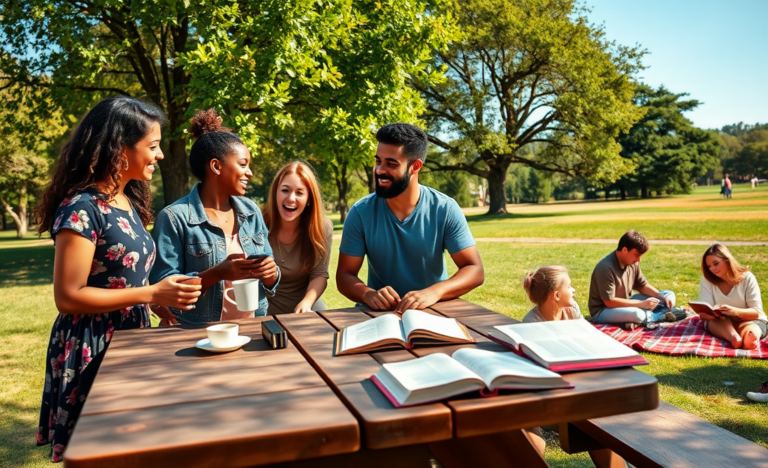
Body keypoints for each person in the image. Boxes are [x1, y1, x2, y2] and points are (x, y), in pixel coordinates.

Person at [34, 98, 202, 461]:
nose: (159, 156)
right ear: (120, 149)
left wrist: (155, 300)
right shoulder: (81, 207)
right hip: (93, 345)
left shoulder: (125, 201)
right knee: (102, 453)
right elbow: (68, 296)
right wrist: (149, 292)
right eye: (153, 146)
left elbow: (122, 279)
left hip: (129, 338)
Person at [336, 123, 484, 312]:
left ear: (415, 167)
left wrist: (435, 292)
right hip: (380, 316)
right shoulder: (360, 212)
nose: (380, 170)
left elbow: (474, 269)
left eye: (391, 164)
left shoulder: (445, 208)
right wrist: (368, 294)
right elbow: (345, 275)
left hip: (433, 312)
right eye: (378, 161)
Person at [151, 109, 279, 323]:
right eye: (243, 164)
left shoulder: (251, 211)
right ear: (216, 166)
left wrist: (271, 272)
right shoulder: (175, 218)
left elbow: (270, 268)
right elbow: (165, 287)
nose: (250, 173)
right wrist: (217, 273)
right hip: (200, 333)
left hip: (252, 326)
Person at [521, 266, 627, 468]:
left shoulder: (570, 310)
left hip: (576, 385)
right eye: (570, 286)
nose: (574, 290)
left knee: (599, 429)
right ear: (556, 295)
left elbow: (587, 342)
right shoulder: (532, 326)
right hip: (545, 397)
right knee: (590, 425)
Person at [262, 162, 333, 314]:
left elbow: (319, 274)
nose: (291, 198)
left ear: (309, 199)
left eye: (300, 192)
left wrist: (306, 303)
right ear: (275, 193)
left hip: (306, 312)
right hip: (264, 313)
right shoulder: (258, 223)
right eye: (285, 190)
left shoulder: (323, 227)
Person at [588, 230, 681, 326]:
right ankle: (660, 315)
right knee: (637, 314)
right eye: (636, 255)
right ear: (624, 250)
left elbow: (642, 286)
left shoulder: (633, 263)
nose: (638, 260)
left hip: (627, 302)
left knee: (668, 295)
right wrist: (641, 304)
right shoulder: (605, 268)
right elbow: (609, 302)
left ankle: (654, 313)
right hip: (604, 310)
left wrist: (661, 298)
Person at [697, 243, 766, 350]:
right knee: (715, 323)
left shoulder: (747, 278)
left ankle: (750, 337)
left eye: (716, 263)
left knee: (751, 329)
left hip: (749, 320)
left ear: (727, 259)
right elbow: (704, 313)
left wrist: (734, 311)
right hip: (722, 322)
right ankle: (734, 338)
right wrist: (711, 314)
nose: (713, 269)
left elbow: (756, 313)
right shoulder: (707, 280)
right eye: (709, 266)